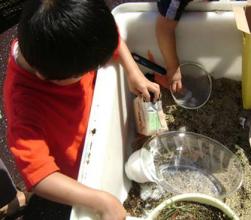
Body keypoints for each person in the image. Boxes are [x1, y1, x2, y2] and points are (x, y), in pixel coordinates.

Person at [3, 0, 160, 219]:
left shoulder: (68, 39)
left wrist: (133, 71)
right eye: (84, 71)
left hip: (97, 119)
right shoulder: (24, 104)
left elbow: (110, 36)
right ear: (46, 78)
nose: (91, 71)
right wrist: (100, 200)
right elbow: (39, 176)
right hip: (79, 166)